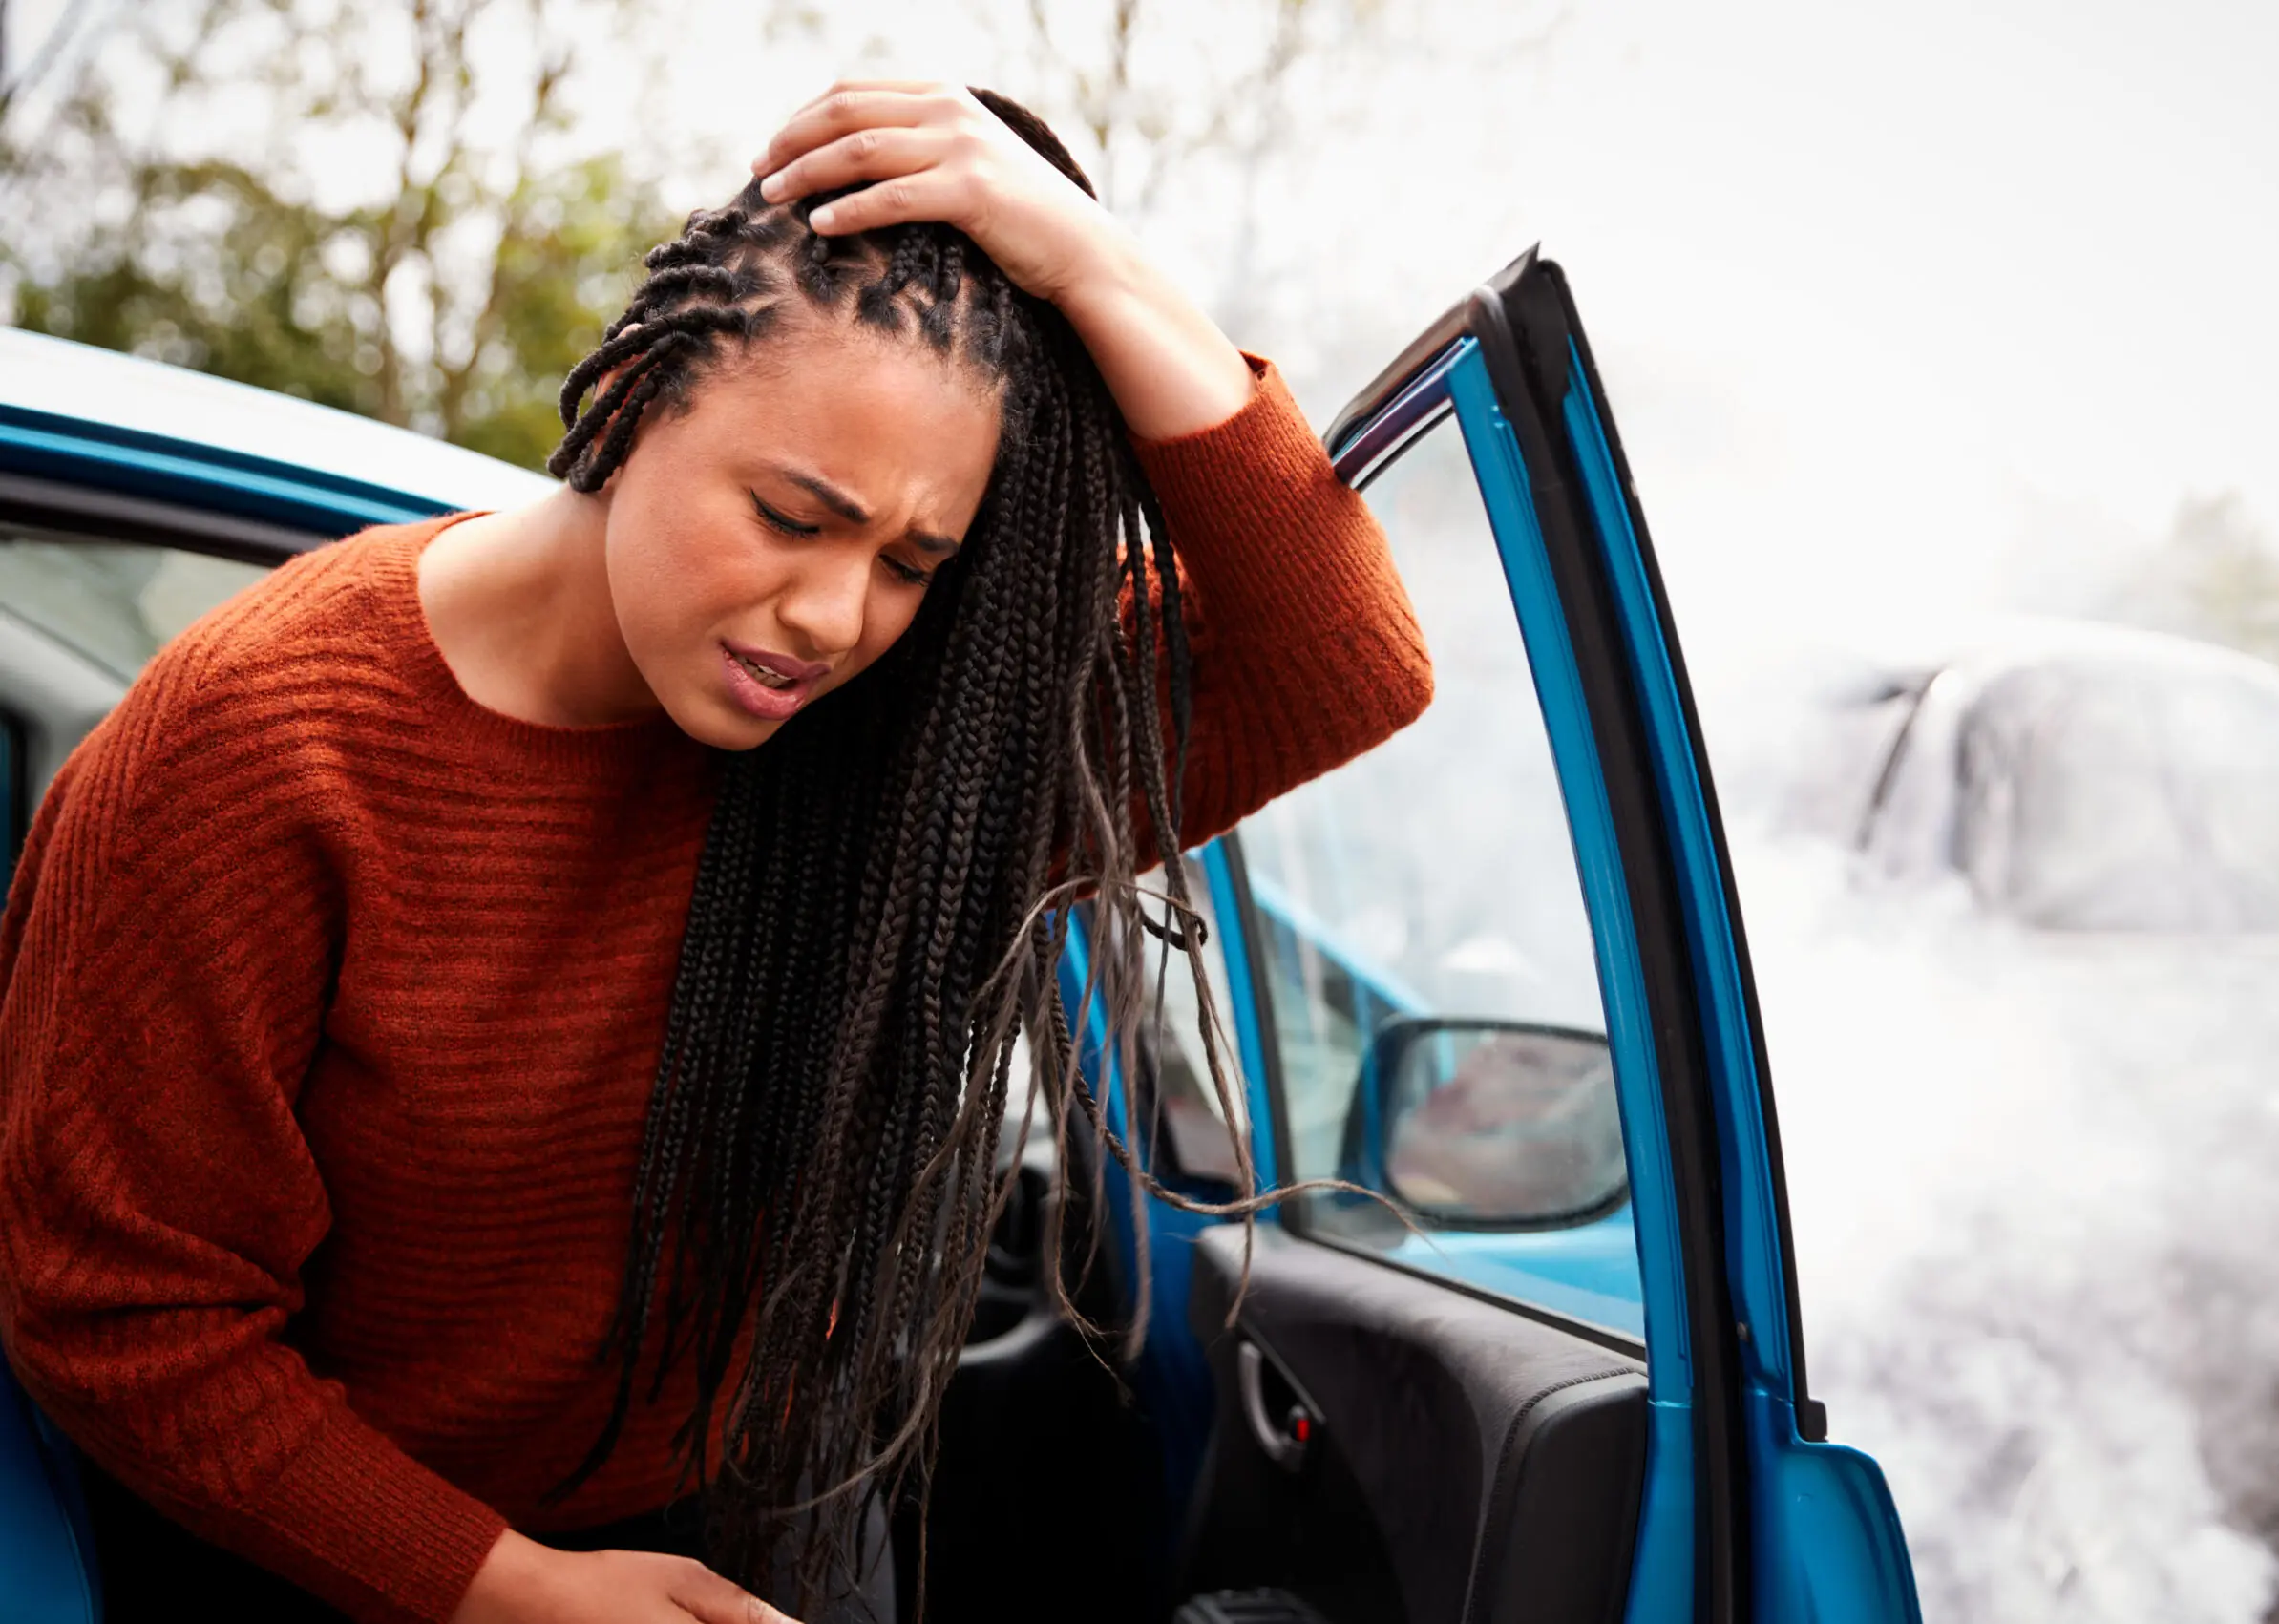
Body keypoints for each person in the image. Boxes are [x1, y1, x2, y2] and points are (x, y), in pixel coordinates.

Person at [0, 83, 1432, 1624]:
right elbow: (124, 1320)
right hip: (351, 1559)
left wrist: (1097, 265)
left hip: (769, 1515)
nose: (835, 617)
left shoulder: (897, 743)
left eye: (908, 562)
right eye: (788, 514)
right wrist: (519, 1591)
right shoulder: (258, 747)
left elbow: (1344, 659)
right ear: (632, 401)